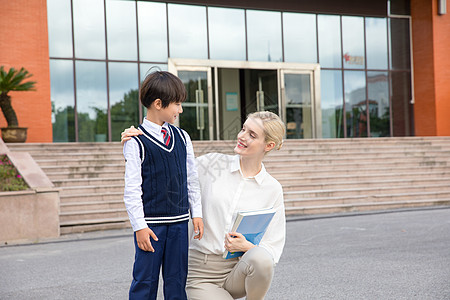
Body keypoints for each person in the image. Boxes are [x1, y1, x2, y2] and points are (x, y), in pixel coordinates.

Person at [122, 111, 286, 300]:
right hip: (201, 274)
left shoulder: (272, 188)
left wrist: (248, 246)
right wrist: (138, 144)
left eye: (252, 135)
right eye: (243, 129)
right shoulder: (211, 164)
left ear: (269, 145)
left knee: (262, 258)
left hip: (238, 270)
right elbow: (164, 168)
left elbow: (273, 246)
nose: (241, 136)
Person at [122, 70, 204, 300]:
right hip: (151, 227)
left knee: (177, 282)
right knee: (144, 283)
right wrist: (139, 226)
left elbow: (191, 177)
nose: (180, 110)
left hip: (179, 224)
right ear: (159, 103)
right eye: (177, 104)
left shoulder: (183, 137)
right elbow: (132, 190)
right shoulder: (135, 141)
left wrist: (196, 212)